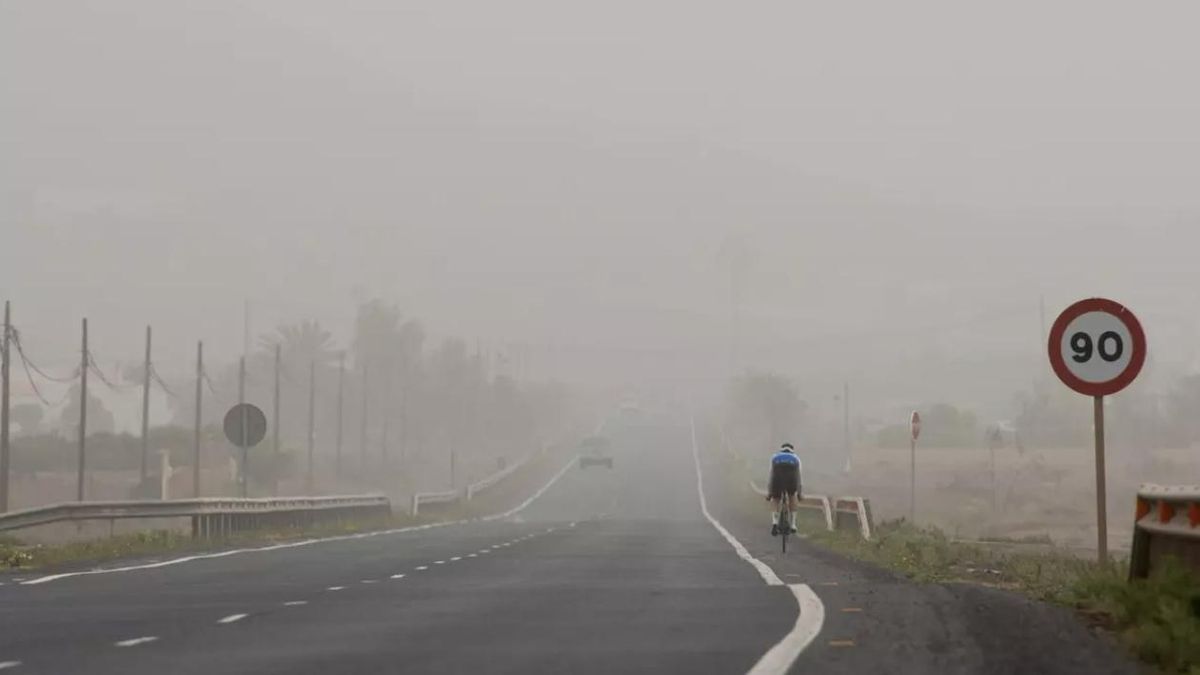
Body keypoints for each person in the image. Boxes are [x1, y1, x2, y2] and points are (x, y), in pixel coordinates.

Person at [767, 442, 802, 536]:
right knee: (792, 496)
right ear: (792, 450)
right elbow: (798, 477)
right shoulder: (796, 458)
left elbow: (771, 475)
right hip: (791, 478)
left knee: (775, 499)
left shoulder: (775, 457)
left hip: (777, 478)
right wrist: (799, 493)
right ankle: (793, 524)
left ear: (781, 450)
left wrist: (770, 493)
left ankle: (774, 523)